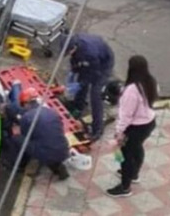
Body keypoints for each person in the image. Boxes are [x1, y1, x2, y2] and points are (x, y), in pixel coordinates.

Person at [107, 55, 158, 198]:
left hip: (134, 127)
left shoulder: (131, 90)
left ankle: (125, 186)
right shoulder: (150, 82)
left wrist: (119, 133)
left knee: (125, 156)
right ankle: (134, 174)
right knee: (137, 148)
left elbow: (126, 116)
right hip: (148, 123)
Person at [67, 33, 114, 141]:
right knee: (81, 77)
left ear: (74, 47)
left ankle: (98, 129)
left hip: (103, 65)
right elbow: (75, 60)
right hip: (94, 60)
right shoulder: (75, 43)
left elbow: (93, 73)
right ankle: (78, 104)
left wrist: (81, 84)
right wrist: (73, 71)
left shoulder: (89, 53)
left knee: (95, 93)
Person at [16, 88, 71, 180]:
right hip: (64, 147)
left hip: (45, 152)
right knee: (46, 142)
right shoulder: (51, 111)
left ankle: (22, 165)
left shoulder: (26, 117)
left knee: (17, 139)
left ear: (26, 103)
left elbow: (25, 135)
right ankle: (56, 166)